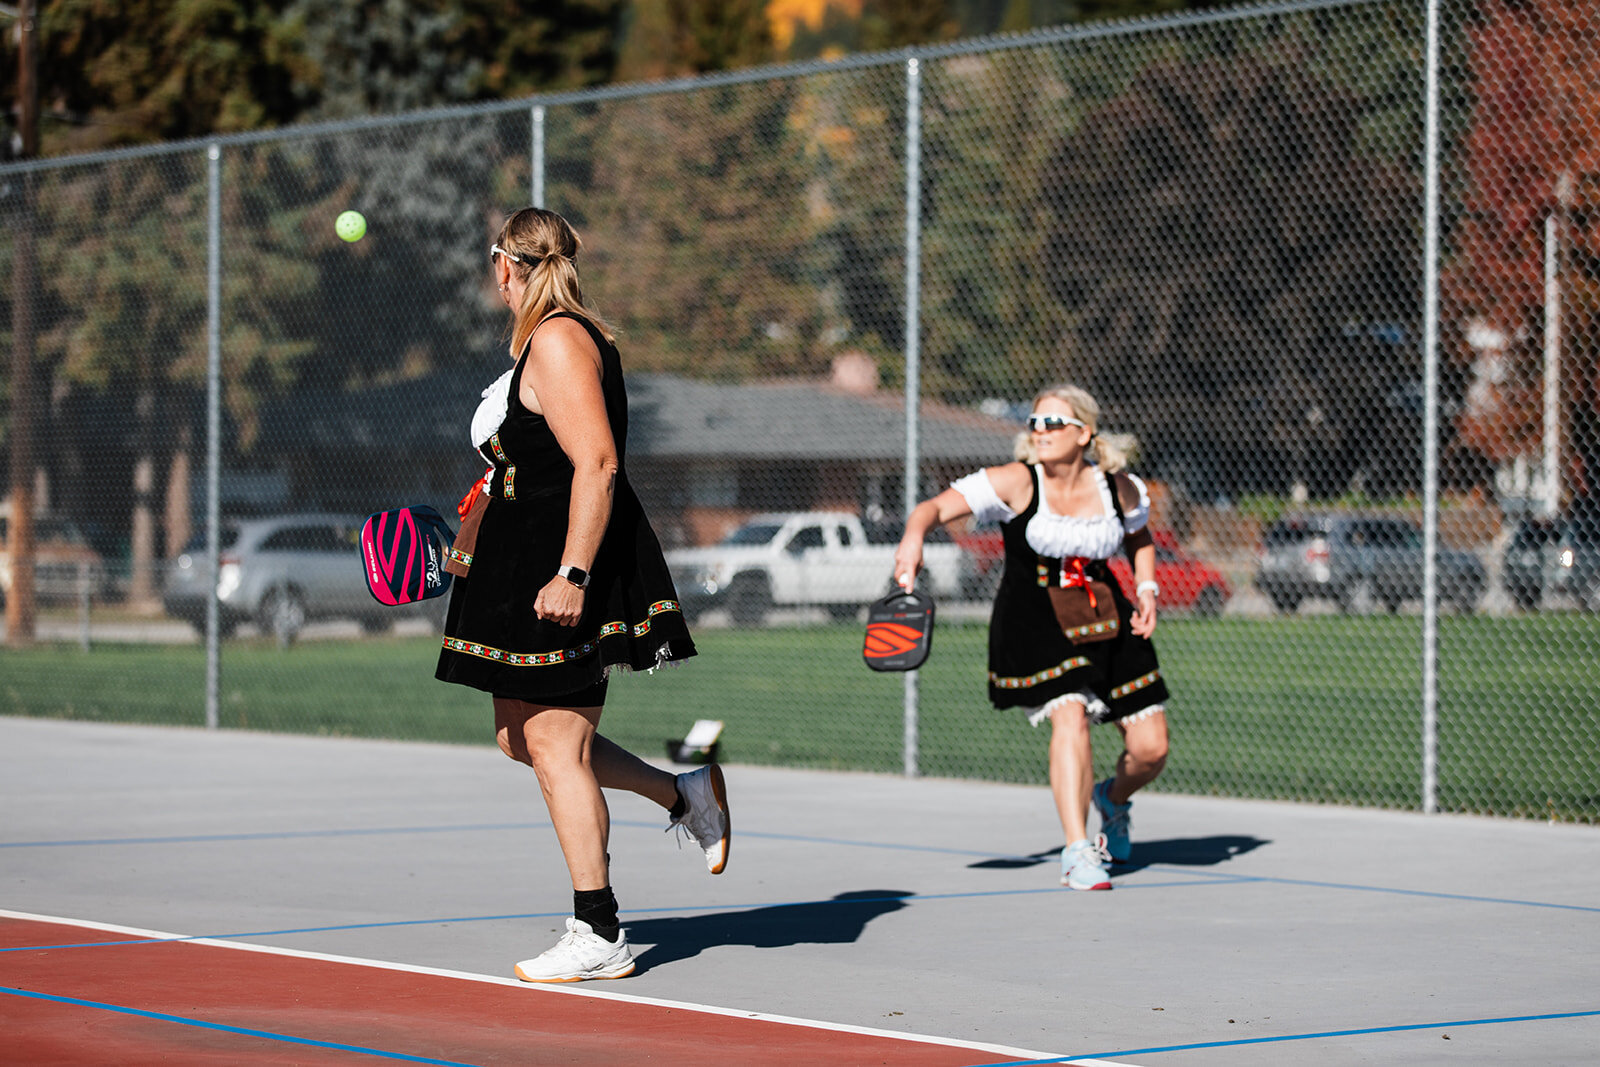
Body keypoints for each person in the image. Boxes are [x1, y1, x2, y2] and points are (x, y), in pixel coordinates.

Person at [436, 207, 729, 981]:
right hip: (517, 568)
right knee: (519, 739)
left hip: (562, 572)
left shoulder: (560, 338)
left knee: (557, 747)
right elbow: (530, 470)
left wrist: (572, 573)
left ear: (508, 265)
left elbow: (597, 465)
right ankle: (682, 793)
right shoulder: (539, 341)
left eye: (493, 261)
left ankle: (598, 929)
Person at [893, 385, 1169, 891]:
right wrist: (913, 541)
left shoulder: (1118, 487)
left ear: (1084, 433)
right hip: (1036, 618)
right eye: (1035, 422)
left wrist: (1147, 588)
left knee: (1152, 749)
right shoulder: (1016, 481)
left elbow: (1139, 536)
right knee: (1071, 714)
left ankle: (1113, 799)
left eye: (1053, 424)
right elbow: (931, 509)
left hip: (1106, 615)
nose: (1039, 432)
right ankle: (1077, 849)